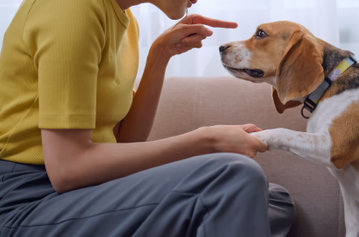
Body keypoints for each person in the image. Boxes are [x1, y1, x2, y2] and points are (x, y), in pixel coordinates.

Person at [0, 0, 295, 236]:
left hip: (84, 190)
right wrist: (207, 140)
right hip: (27, 200)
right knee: (234, 179)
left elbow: (124, 141)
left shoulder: (124, 22)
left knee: (271, 200)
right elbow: (68, 170)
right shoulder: (70, 9)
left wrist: (159, 56)